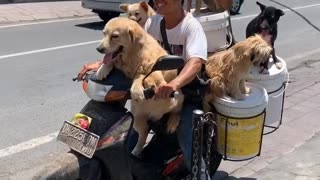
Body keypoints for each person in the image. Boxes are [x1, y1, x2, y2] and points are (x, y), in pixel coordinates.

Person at [77, 0, 209, 179]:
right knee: (125, 129)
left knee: (187, 140)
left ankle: (201, 176)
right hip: (154, 89)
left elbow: (195, 63)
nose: (158, 2)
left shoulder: (191, 27)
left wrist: (174, 84)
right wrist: (103, 62)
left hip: (183, 93)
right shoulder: (153, 23)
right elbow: (133, 48)